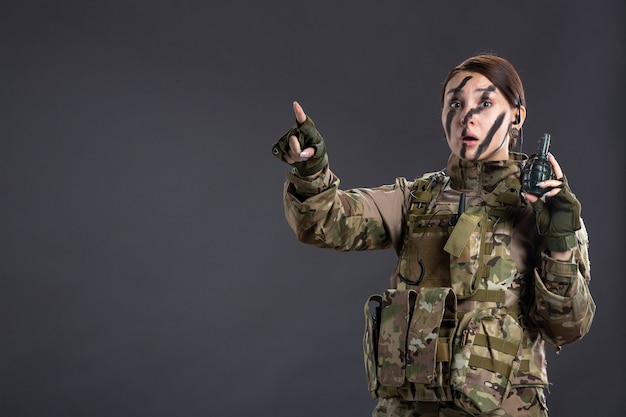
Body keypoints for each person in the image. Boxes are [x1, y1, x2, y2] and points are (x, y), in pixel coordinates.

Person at [271, 54, 595, 417]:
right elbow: (326, 222)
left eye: (484, 103)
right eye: (455, 103)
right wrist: (311, 170)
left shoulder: (547, 209)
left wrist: (561, 241)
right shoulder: (416, 199)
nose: (466, 116)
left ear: (517, 115)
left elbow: (567, 327)